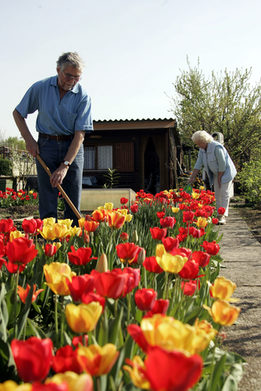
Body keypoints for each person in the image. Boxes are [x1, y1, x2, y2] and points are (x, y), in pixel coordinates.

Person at [13, 52, 93, 226]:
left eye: (76, 77)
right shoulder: (41, 88)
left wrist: (65, 166)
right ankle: (51, 247)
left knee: (72, 201)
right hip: (46, 146)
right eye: (68, 75)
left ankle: (72, 247)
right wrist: (29, 140)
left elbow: (80, 135)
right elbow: (18, 113)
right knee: (48, 200)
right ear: (58, 70)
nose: (72, 81)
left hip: (72, 147)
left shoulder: (83, 97)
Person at [188, 130, 237, 225]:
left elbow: (222, 163)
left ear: (204, 141)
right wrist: (192, 177)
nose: (198, 145)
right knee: (217, 193)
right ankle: (219, 214)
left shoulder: (216, 147)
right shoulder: (202, 150)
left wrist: (219, 177)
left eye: (199, 143)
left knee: (224, 193)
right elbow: (198, 164)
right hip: (216, 172)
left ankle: (222, 216)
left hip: (225, 172)